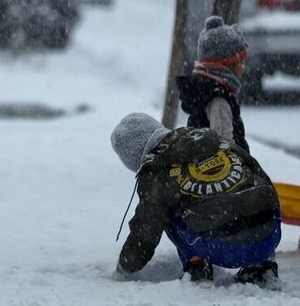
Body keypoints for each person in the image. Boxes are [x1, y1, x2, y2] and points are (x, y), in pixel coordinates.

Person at [111, 113, 281, 285]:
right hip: (269, 234)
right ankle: (261, 265)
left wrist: (125, 266)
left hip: (223, 248)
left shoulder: (156, 170)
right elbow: (256, 169)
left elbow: (146, 230)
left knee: (164, 209)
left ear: (134, 159)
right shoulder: (209, 137)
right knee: (249, 186)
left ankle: (197, 265)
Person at [177, 15, 251, 153]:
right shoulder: (219, 100)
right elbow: (224, 143)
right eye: (240, 62)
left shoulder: (209, 92)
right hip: (223, 168)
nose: (243, 67)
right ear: (228, 64)